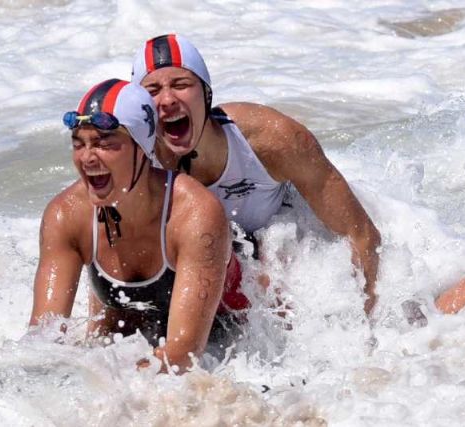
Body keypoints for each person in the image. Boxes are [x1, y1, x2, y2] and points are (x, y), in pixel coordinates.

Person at [131, 34, 382, 315]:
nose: (166, 100)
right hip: (214, 267)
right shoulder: (134, 164)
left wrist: (364, 321)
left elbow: (359, 233)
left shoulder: (270, 139)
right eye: (152, 90)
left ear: (206, 94)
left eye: (181, 85)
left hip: (288, 241)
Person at [30, 79, 247, 373]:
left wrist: (101, 381)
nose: (87, 157)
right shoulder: (66, 215)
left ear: (143, 148)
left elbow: (183, 356)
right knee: (96, 343)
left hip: (231, 338)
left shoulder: (194, 212)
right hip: (132, 322)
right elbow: (43, 338)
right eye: (79, 144)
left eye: (105, 143)